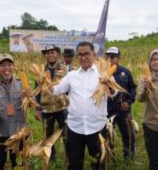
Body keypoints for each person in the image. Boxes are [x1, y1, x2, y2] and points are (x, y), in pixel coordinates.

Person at [52, 41, 108, 170]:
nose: (83, 57)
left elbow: (114, 92)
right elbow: (56, 90)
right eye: (80, 54)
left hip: (97, 128)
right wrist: (44, 84)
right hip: (75, 128)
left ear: (94, 54)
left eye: (87, 54)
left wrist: (108, 85)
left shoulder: (103, 74)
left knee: (99, 163)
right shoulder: (72, 76)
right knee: (75, 164)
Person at [0, 54, 29, 170]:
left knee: (19, 165)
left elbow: (30, 105)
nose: (6, 68)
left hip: (18, 133)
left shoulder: (22, 84)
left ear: (13, 66)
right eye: (2, 65)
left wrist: (29, 98)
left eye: (9, 64)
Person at [35, 45, 69, 160]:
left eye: (53, 52)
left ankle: (67, 155)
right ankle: (51, 156)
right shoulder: (40, 71)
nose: (50, 55)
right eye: (48, 53)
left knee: (66, 132)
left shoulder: (65, 69)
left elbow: (71, 89)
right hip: (46, 109)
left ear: (57, 54)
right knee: (48, 134)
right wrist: (37, 109)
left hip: (62, 108)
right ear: (45, 56)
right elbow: (37, 91)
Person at [105, 46, 137, 161]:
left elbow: (133, 88)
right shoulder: (102, 74)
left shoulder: (125, 72)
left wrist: (128, 102)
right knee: (108, 135)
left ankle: (129, 158)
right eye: (107, 57)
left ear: (118, 58)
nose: (110, 59)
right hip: (107, 111)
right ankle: (110, 157)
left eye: (113, 57)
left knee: (129, 136)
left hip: (123, 110)